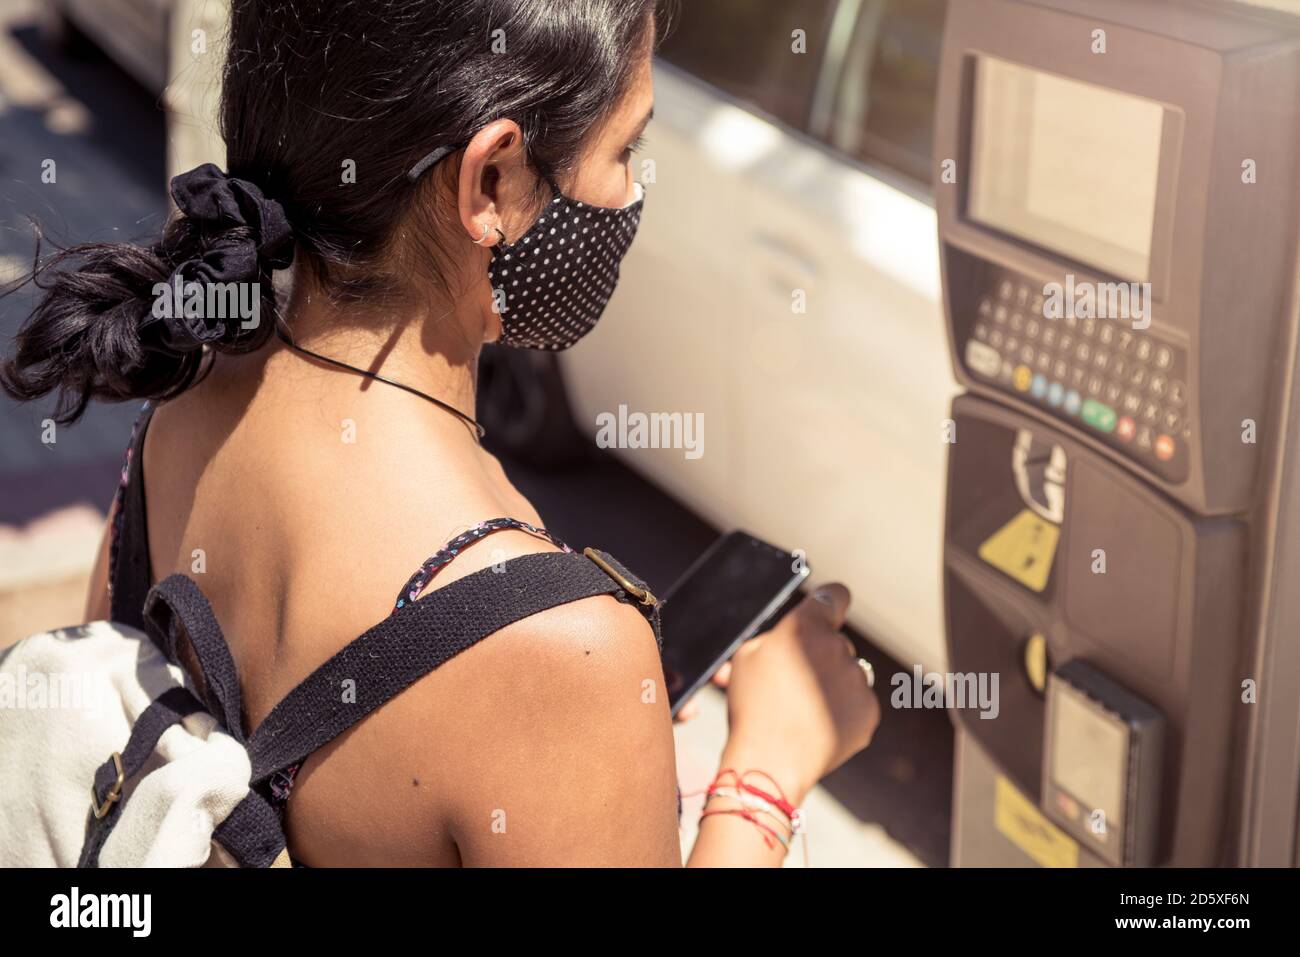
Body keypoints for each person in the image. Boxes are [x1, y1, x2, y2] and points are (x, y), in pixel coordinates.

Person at [1, 0, 878, 866]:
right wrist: (767, 770)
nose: (631, 192)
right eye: (626, 149)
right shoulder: (562, 649)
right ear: (493, 180)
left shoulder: (182, 391)